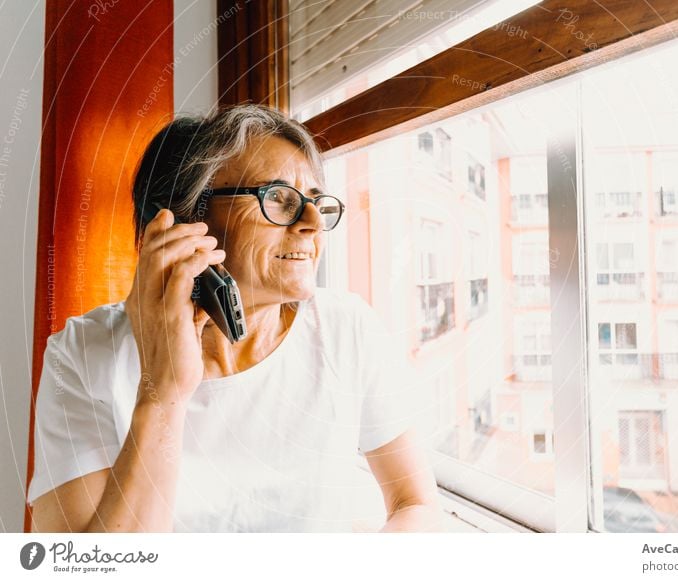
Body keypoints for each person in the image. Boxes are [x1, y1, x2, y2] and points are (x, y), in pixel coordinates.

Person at [27, 105, 441, 532]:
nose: (313, 223)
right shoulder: (81, 354)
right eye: (279, 198)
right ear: (185, 222)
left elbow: (417, 504)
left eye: (317, 202)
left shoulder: (344, 328)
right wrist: (163, 391)